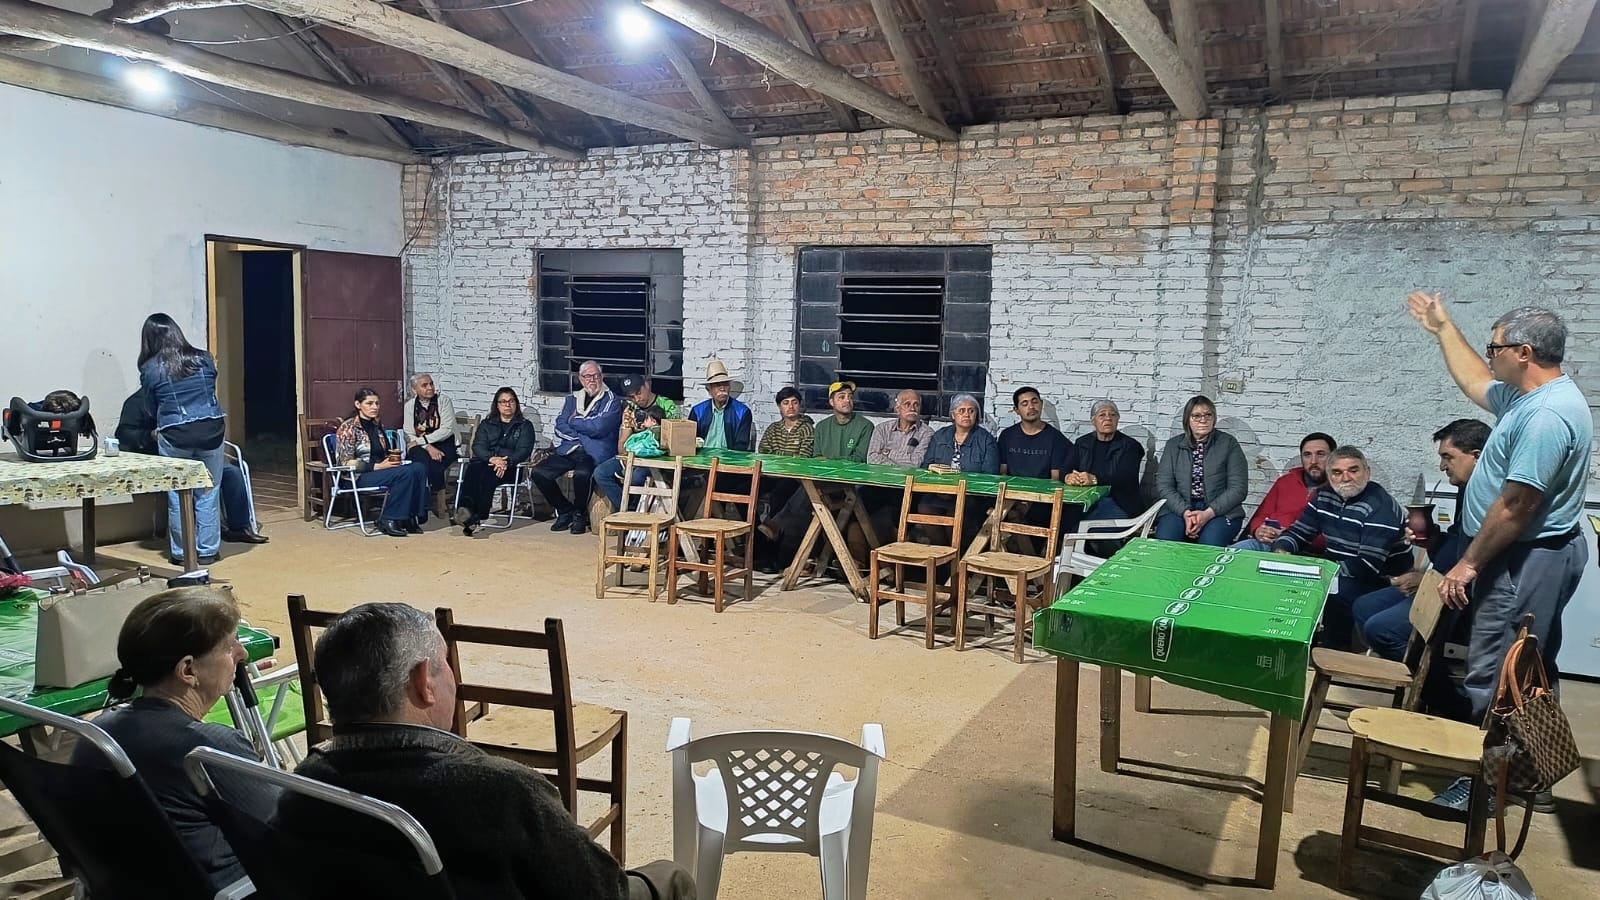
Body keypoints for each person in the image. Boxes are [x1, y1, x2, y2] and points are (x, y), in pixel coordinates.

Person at [276, 603, 694, 900]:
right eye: (444, 662)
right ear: (424, 682)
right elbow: (601, 891)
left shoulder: (303, 786)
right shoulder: (502, 791)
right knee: (671, 877)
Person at [1408, 296, 1590, 800]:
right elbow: (1474, 382)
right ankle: (1532, 778)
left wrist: (1467, 564)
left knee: (1496, 672)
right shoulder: (1527, 396)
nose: (1489, 356)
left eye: (1495, 348)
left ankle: (1488, 787)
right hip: (1526, 554)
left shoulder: (1546, 416)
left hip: (1523, 559)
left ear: (1524, 353)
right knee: (1527, 668)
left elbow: (1516, 506)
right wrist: (1443, 329)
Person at [70, 587, 267, 892]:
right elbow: (285, 833)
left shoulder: (98, 736)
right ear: (187, 670)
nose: (242, 654)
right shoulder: (208, 750)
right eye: (230, 646)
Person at [1352, 419, 1489, 663]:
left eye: (1448, 457)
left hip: (1462, 594)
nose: (1442, 466)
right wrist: (1430, 539)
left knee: (1381, 629)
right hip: (1439, 579)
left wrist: (1429, 579)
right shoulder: (1466, 488)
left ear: (1476, 456)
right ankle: (1400, 670)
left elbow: (1472, 557)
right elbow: (1455, 545)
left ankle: (1435, 683)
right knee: (1364, 606)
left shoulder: (1488, 497)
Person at [1248, 447, 1412, 649]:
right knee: (1274, 574)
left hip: (1382, 580)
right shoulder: (1323, 495)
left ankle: (1332, 651)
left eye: (1353, 470)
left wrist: (1317, 571)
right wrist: (1282, 550)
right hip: (1338, 567)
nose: (1346, 478)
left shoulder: (1381, 506)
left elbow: (1367, 566)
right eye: (1337, 472)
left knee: (1333, 592)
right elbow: (1300, 532)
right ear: (1329, 475)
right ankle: (1280, 642)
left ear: (1367, 472)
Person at [115, 388, 266, 544]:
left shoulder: (184, 396)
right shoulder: (137, 402)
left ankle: (239, 527)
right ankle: (188, 540)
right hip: (158, 458)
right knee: (185, 482)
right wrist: (151, 435)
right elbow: (123, 434)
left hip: (195, 454)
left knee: (232, 473)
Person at [137, 313, 227, 566]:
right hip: (211, 429)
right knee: (208, 490)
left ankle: (182, 552)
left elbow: (149, 408)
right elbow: (209, 390)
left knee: (177, 494)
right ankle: (207, 551)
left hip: (175, 433)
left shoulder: (150, 368)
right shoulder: (204, 358)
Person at [758, 381, 872, 563]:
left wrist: (829, 462)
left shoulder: (865, 426)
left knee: (805, 492)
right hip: (822, 481)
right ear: (831, 402)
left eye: (850, 397)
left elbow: (858, 460)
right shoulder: (822, 427)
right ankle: (786, 557)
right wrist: (831, 462)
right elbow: (816, 458)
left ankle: (780, 534)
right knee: (806, 495)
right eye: (841, 397)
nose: (847, 400)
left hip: (849, 484)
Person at [530, 360, 621, 537]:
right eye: (587, 376)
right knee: (539, 473)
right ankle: (565, 510)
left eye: (596, 376)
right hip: (570, 449)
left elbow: (600, 427)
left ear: (601, 377)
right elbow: (560, 426)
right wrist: (582, 434)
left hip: (594, 453)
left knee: (583, 474)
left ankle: (580, 513)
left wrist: (574, 421)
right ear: (581, 379)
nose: (592, 380)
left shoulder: (611, 400)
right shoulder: (572, 399)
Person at [334, 388, 430, 538]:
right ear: (358, 405)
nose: (374, 407)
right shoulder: (349, 427)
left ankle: (410, 516)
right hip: (357, 477)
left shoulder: (377, 426)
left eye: (377, 403)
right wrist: (377, 466)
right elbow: (344, 462)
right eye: (369, 403)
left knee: (418, 468)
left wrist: (393, 460)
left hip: (381, 471)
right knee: (404, 474)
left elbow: (382, 453)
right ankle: (388, 518)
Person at [1154, 395, 1247, 546]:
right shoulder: (1173, 446)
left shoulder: (1229, 444)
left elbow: (1238, 488)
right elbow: (1164, 485)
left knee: (1209, 543)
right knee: (1166, 541)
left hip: (1220, 511)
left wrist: (1208, 513)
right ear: (1187, 420)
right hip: (1179, 508)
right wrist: (1186, 513)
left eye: (1208, 415)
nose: (1203, 420)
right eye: (1196, 416)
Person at [451, 388, 536, 537]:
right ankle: (466, 510)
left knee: (488, 476)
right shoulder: (487, 424)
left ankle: (478, 515)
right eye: (503, 402)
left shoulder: (524, 426)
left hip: (511, 468)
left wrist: (506, 461)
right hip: (487, 462)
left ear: (516, 404)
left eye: (511, 401)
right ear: (497, 405)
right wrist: (492, 459)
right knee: (473, 470)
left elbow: (524, 450)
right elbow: (478, 446)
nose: (507, 405)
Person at [594, 375, 680, 513]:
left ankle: (637, 510)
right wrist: (626, 458)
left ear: (647, 385)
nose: (637, 399)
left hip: (657, 458)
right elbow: (622, 443)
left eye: (638, 393)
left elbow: (675, 440)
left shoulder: (667, 405)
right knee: (600, 473)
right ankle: (626, 509)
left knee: (637, 477)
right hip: (633, 455)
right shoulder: (630, 408)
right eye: (632, 396)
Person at [1244, 432, 1337, 551]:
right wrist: (1258, 530)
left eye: (1320, 454)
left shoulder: (1339, 490)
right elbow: (1261, 515)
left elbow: (1338, 537)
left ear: (1334, 458)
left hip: (1307, 551)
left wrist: (1290, 536)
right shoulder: (1285, 481)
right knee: (1228, 556)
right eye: (1307, 455)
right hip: (1267, 543)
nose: (1313, 461)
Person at [1071, 400, 1145, 520]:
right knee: (1060, 519)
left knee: (1084, 524)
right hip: (1085, 500)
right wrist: (1069, 477)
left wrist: (1095, 479)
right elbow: (1066, 468)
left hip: (1118, 501)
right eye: (1102, 415)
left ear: (1117, 419)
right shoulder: (1082, 443)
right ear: (1093, 421)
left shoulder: (1131, 446)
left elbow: (1126, 477)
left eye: (1113, 415)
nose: (1108, 418)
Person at [402, 373, 459, 515]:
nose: (430, 387)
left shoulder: (443, 401)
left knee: (434, 462)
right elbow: (408, 433)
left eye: (431, 384)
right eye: (424, 385)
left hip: (444, 442)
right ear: (414, 390)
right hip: (421, 446)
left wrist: (422, 441)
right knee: (419, 460)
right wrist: (427, 447)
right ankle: (423, 499)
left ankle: (431, 500)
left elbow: (447, 430)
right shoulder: (410, 406)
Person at [997, 387, 1074, 481]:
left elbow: (1055, 478)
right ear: (1016, 410)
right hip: (1011, 488)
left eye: (1035, 402)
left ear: (1041, 404)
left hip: (1044, 489)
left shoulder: (1056, 438)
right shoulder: (1007, 436)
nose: (1031, 407)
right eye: (1025, 404)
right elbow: (1002, 473)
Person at [921, 394, 998, 474]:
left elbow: (990, 474)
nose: (966, 415)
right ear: (953, 415)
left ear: (976, 415)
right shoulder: (939, 436)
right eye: (962, 411)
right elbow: (926, 467)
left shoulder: (987, 440)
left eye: (971, 411)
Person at [688, 359, 753, 451]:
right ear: (709, 390)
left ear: (729, 387)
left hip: (729, 457)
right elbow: (689, 440)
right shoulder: (697, 411)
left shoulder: (742, 412)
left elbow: (741, 446)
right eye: (717, 385)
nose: (722, 388)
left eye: (725, 384)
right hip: (703, 457)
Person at [867, 390, 933, 467]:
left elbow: (916, 462)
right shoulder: (882, 429)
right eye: (907, 404)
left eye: (916, 405)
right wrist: (897, 468)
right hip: (882, 474)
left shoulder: (927, 433)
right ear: (897, 409)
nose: (912, 409)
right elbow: (872, 458)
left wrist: (887, 452)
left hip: (909, 475)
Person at [757, 386, 815, 458]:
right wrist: (791, 455)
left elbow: (804, 457)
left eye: (795, 403)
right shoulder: (773, 429)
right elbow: (763, 452)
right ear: (779, 406)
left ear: (799, 405)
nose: (791, 406)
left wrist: (777, 454)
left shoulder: (807, 429)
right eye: (786, 403)